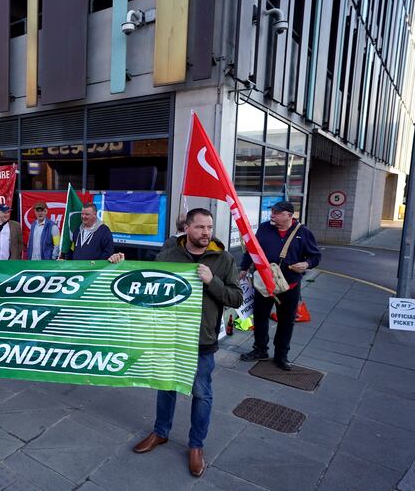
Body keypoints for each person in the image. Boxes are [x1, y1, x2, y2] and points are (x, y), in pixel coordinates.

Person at [133, 208, 242, 478]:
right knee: (166, 385)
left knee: (202, 393)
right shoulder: (169, 255)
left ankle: (196, 446)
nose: (206, 233)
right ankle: (161, 432)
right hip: (170, 336)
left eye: (209, 227)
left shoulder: (223, 259)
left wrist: (211, 281)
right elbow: (148, 288)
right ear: (187, 228)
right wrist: (117, 262)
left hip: (202, 340)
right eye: (200, 228)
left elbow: (236, 298)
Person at [239, 201, 321, 371]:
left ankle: (281, 356)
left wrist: (306, 264)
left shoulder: (303, 233)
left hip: (289, 286)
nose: (272, 215)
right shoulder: (264, 228)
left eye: (277, 213)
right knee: (260, 317)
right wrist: (244, 267)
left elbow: (315, 256)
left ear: (289, 215)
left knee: (286, 321)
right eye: (273, 212)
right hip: (264, 284)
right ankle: (260, 349)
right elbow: (252, 249)